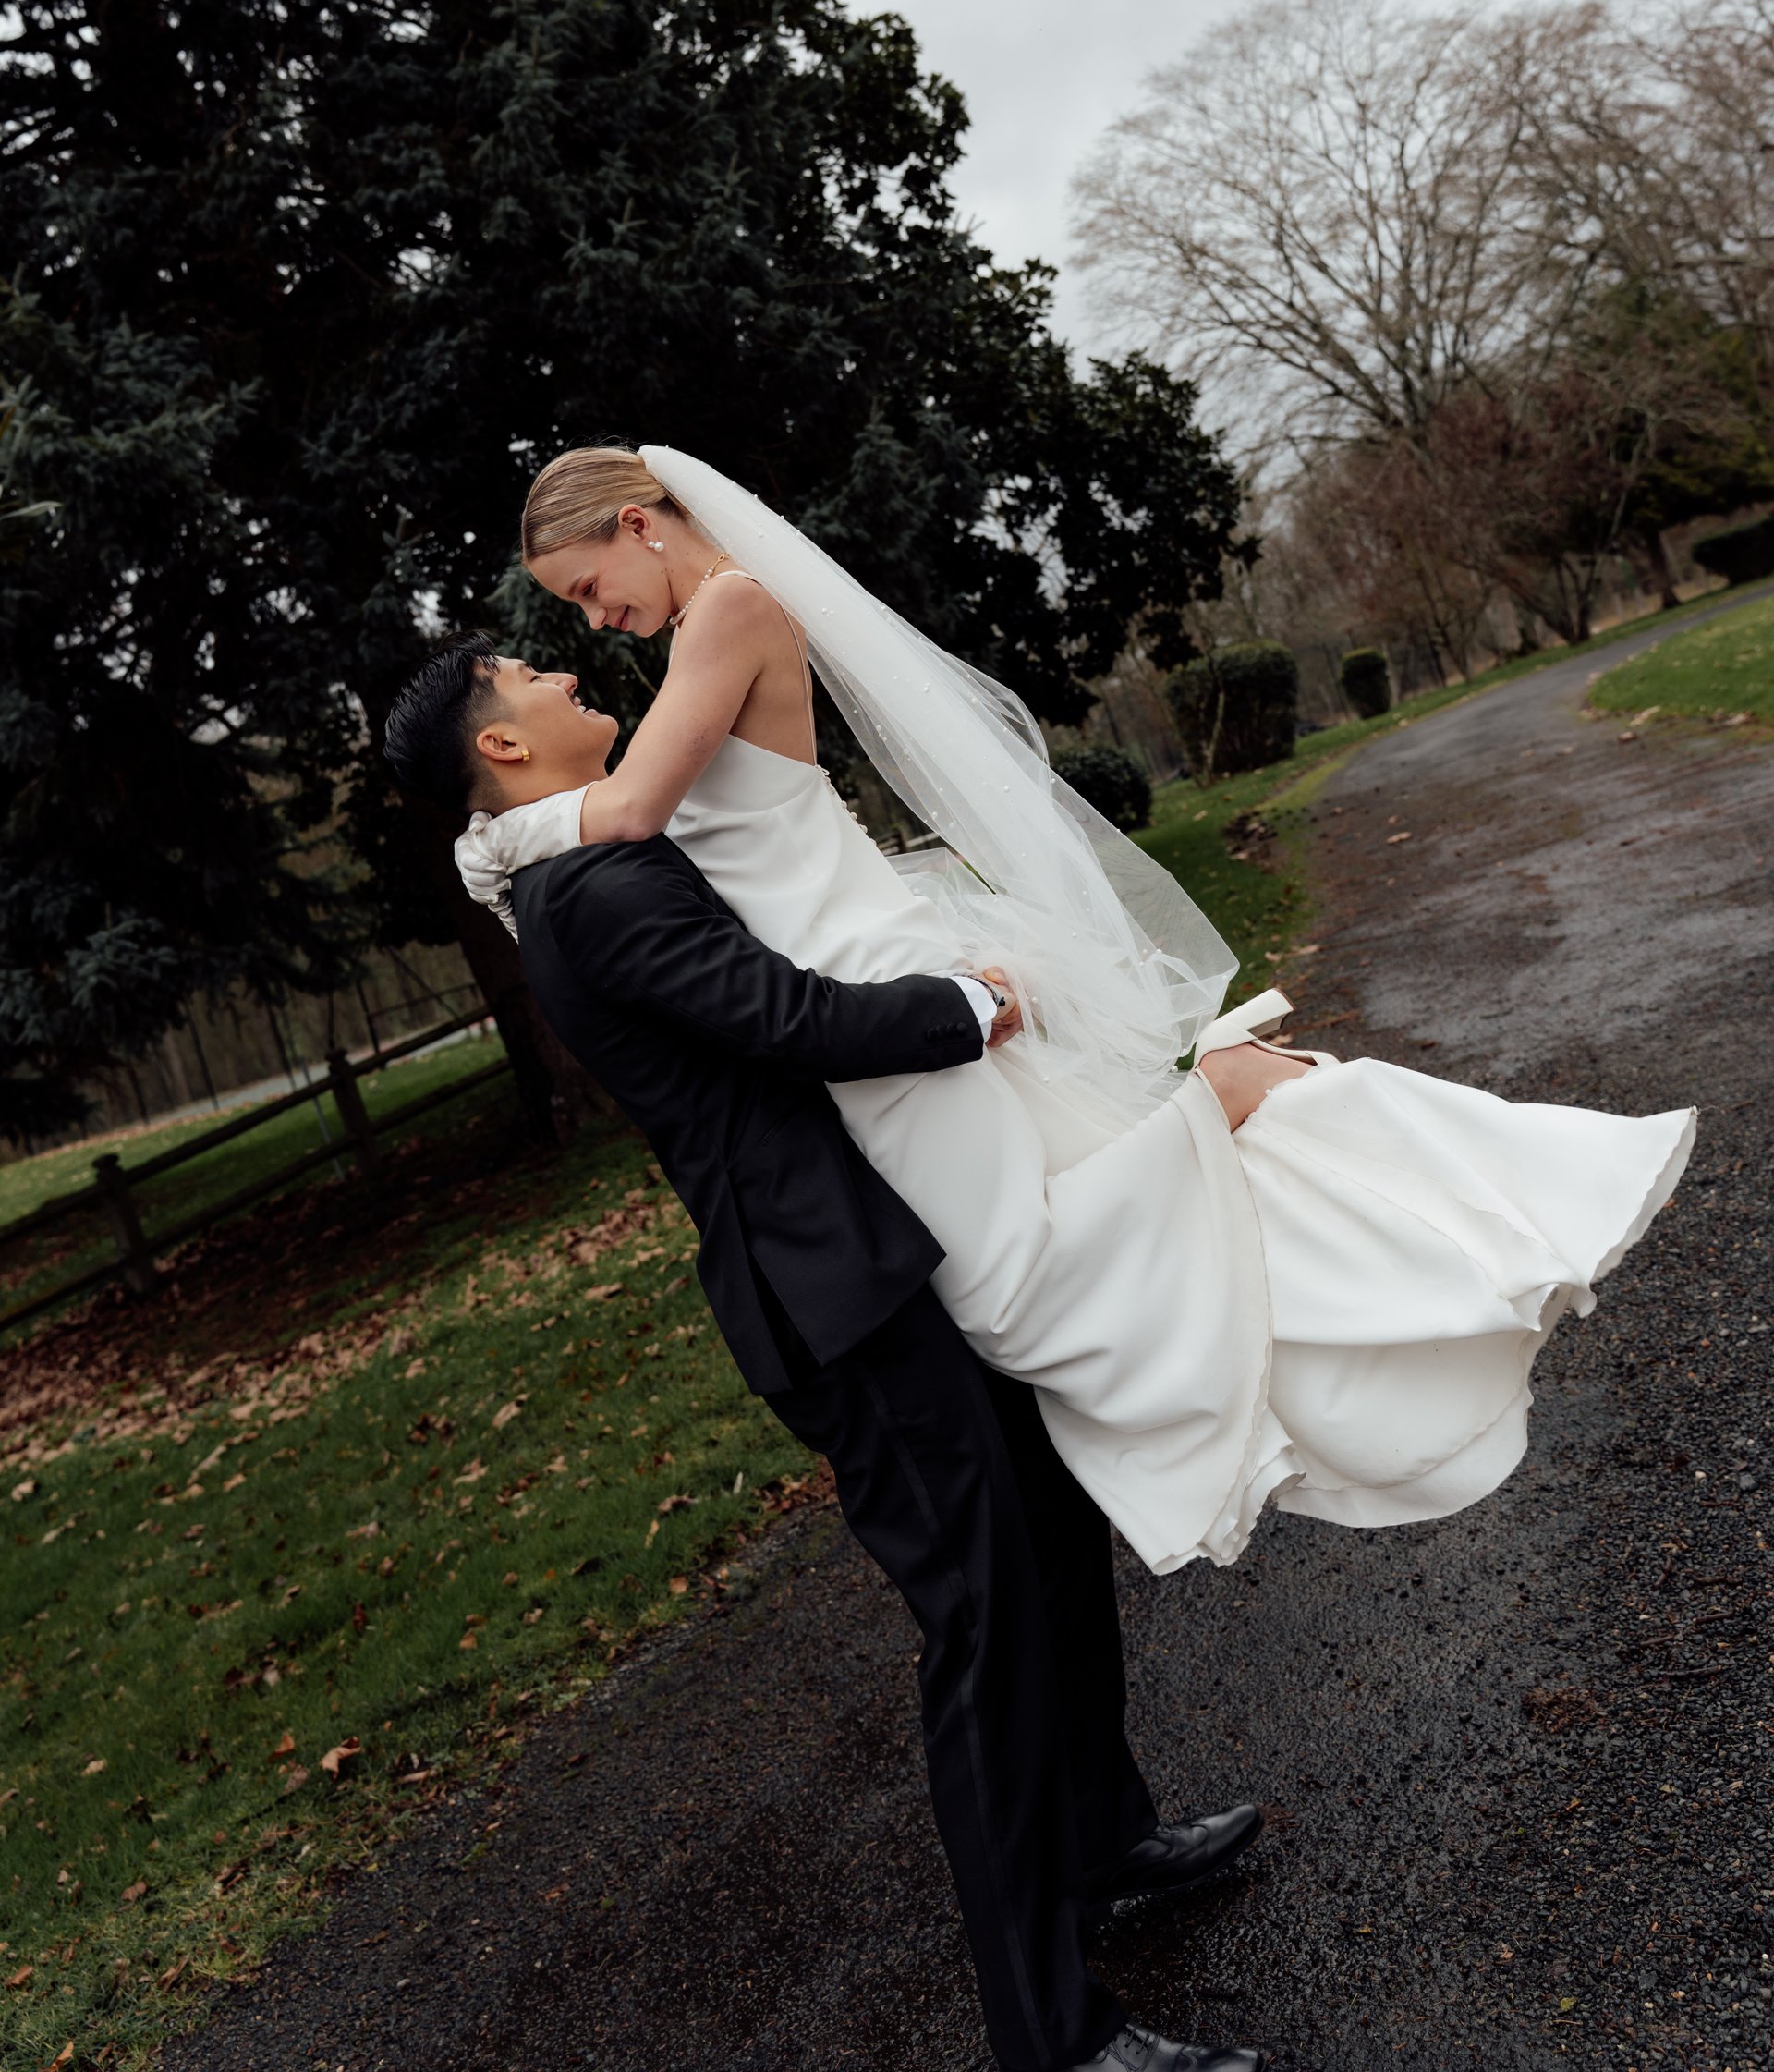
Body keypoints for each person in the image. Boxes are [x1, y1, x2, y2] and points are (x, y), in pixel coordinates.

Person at [456, 445, 1695, 1576]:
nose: (592, 617)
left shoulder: (728, 609)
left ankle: (1222, 1101)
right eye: (573, 609)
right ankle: (1227, 1114)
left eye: (585, 586)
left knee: (1014, 1284)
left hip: (867, 983)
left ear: (638, 523)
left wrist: (495, 840)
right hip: (851, 981)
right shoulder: (699, 633)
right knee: (1015, 1262)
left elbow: (625, 817)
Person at [383, 640, 1267, 2072]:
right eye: (533, 671)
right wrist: (969, 1007)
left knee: (1047, 1540)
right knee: (981, 1636)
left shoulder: (581, 855)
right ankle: (1052, 2036)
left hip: (892, 1263)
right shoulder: (589, 892)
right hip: (835, 1305)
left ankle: (1108, 1840)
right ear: (502, 746)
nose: (564, 671)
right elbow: (783, 1021)